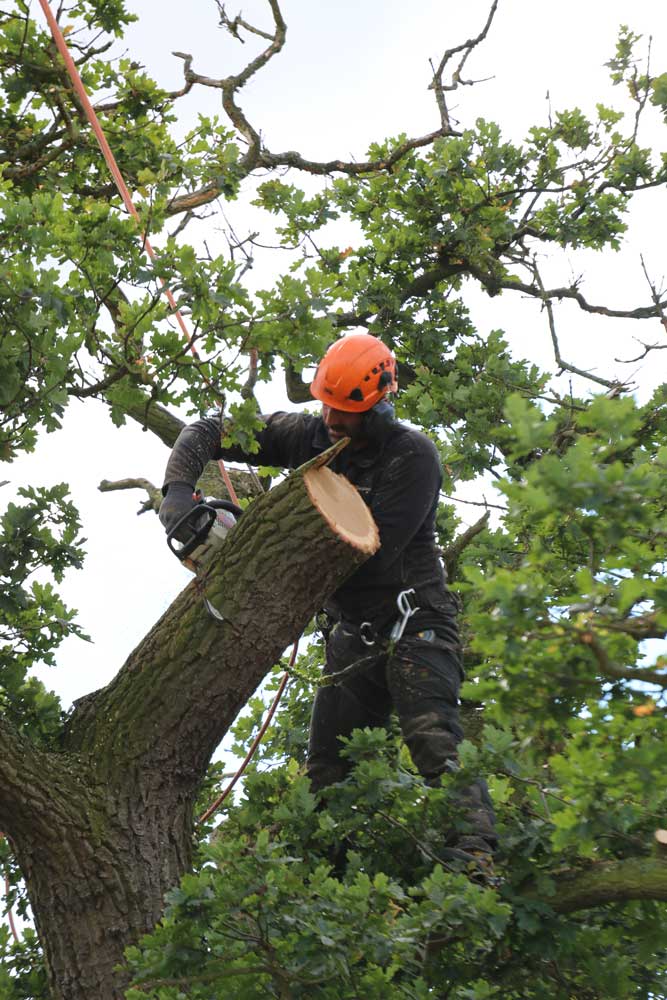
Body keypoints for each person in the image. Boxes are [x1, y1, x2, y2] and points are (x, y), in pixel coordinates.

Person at [158, 333, 496, 870]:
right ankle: (325, 876)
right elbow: (209, 429)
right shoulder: (307, 434)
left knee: (433, 738)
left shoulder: (411, 456)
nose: (333, 419)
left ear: (379, 403)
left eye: (347, 411)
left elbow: (370, 558)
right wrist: (177, 491)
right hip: (352, 634)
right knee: (326, 773)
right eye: (327, 405)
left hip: (416, 622)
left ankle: (475, 858)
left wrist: (263, 555)